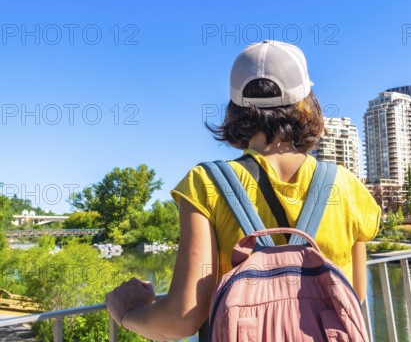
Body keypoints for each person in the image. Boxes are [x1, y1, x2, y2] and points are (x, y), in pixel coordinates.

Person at [105, 40, 381, 340]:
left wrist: (127, 311)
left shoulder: (205, 184)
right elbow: (353, 297)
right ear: (306, 102)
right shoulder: (347, 185)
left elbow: (181, 318)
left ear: (235, 108)